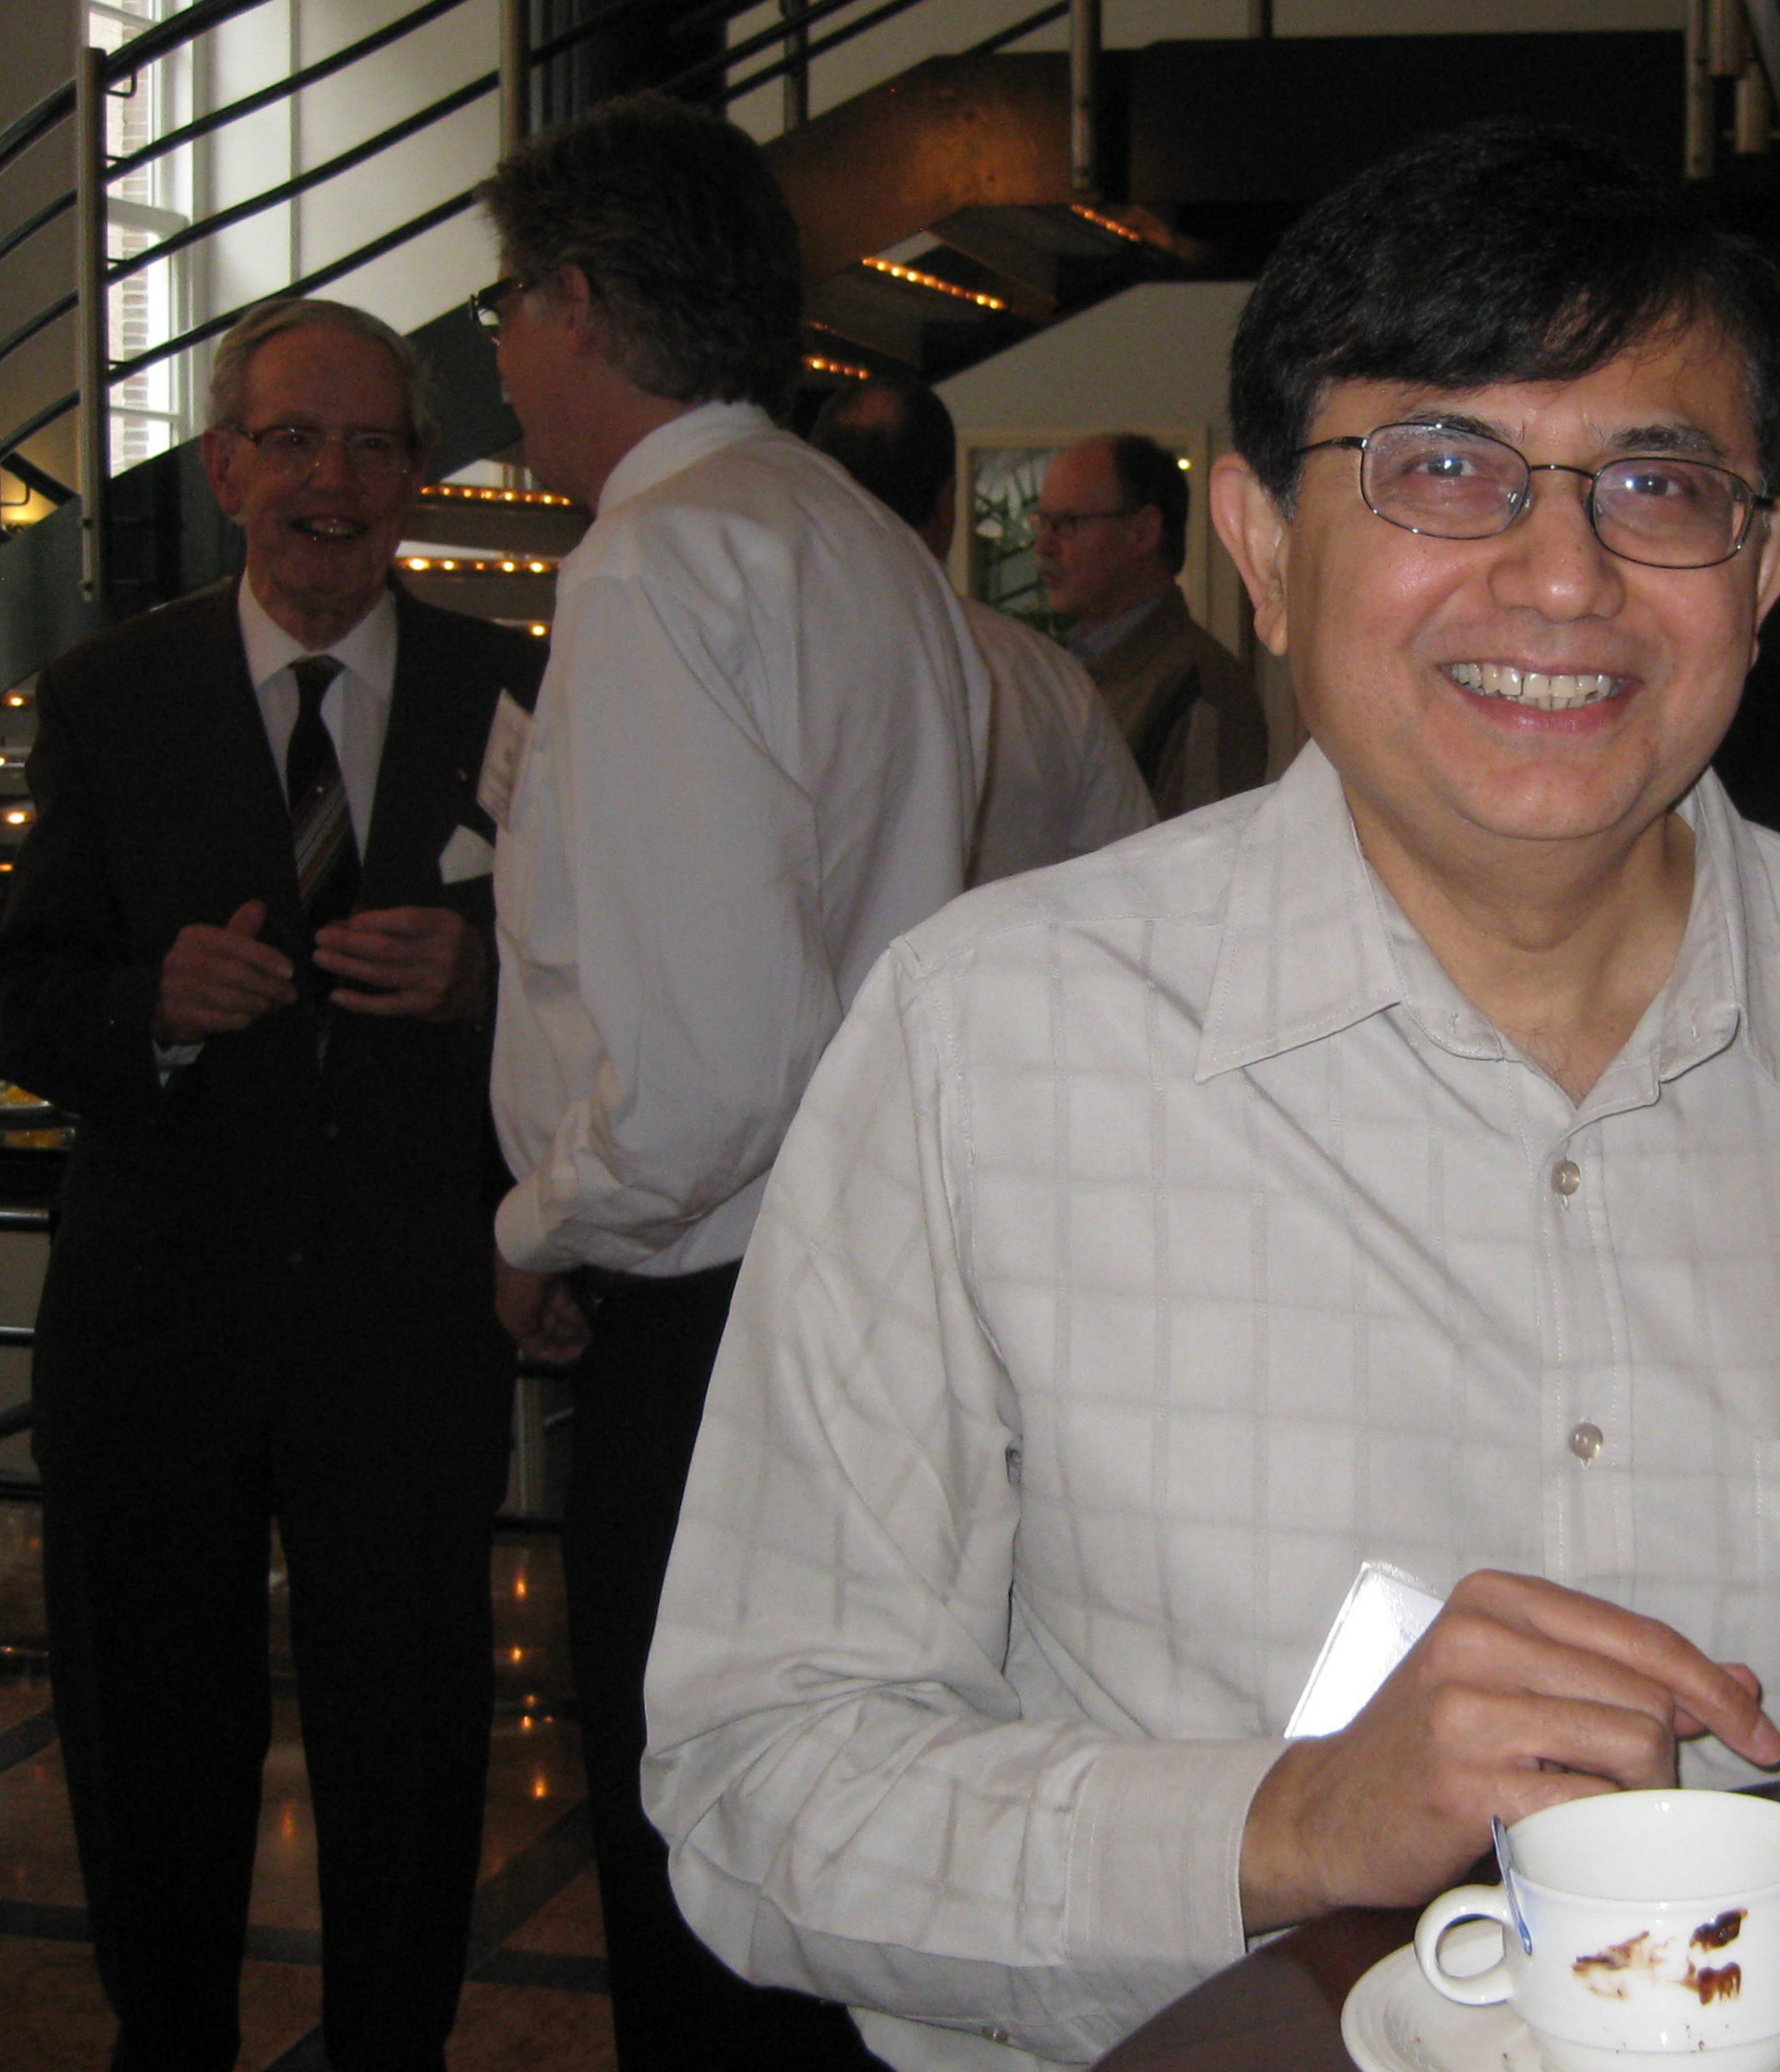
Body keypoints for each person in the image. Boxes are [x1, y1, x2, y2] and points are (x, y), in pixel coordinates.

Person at [644, 120, 1780, 2072]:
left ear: (1765, 563)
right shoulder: (979, 1047)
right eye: (1440, 466)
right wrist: (1284, 1823)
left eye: (1656, 482)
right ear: (1263, 547)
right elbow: (758, 1779)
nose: (1562, 576)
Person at [474, 97, 987, 2070]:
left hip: (712, 1327)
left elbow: (705, 1068)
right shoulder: (853, 542)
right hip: (866, 1300)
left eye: (508, 303)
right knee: (820, 1869)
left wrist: (543, 1221)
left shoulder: (654, 561)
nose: (499, 352)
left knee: (698, 1873)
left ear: (581, 301)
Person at [0, 299, 542, 2072]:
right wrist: (147, 1008)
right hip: (158, 1319)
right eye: (295, 439)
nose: (334, 479)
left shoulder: (513, 689)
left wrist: (481, 980)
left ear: (419, 475)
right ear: (226, 465)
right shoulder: (108, 695)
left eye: (374, 443)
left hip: (405, 1317)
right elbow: (27, 988)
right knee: (152, 1733)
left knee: (410, 1735)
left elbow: (609, 974)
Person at [809, 378, 1156, 882]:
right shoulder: (1046, 680)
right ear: (948, 501)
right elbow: (1131, 877)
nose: (1047, 544)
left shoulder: (773, 654)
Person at [1036, 431, 1268, 815]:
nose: (1044, 544)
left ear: (1142, 532)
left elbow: (1199, 845)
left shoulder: (1200, 689)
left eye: (1068, 523)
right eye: (1042, 521)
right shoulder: (1061, 667)